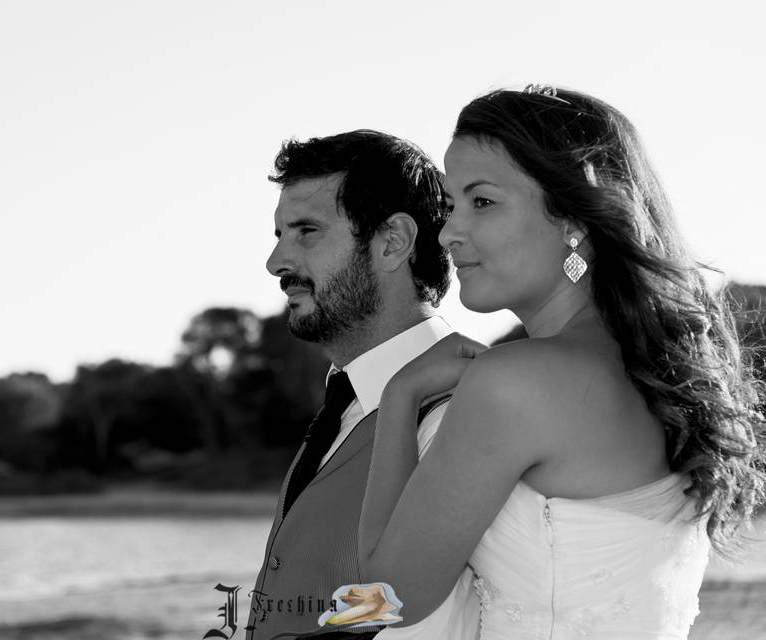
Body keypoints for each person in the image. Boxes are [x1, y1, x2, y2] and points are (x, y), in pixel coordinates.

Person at [357, 86, 766, 640]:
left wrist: (400, 398)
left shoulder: (515, 383)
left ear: (573, 218)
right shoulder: (662, 379)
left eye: (482, 201)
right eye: (451, 205)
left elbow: (383, 602)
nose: (449, 232)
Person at [246, 130, 485, 640]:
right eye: (278, 235)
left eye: (307, 231)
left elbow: (432, 613)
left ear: (392, 242)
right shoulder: (343, 402)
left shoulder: (466, 411)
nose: (276, 264)